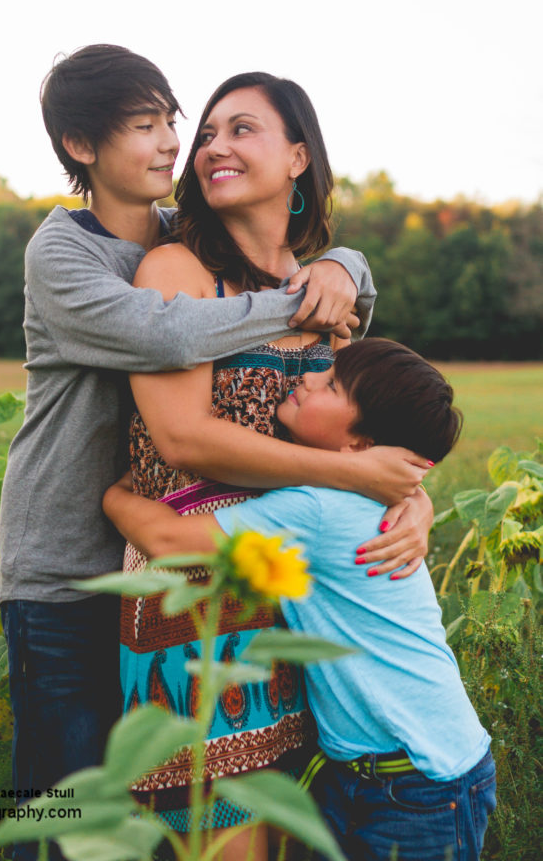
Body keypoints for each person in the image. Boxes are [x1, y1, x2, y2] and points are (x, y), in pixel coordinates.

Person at [0, 46, 417, 857]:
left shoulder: (191, 241)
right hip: (64, 570)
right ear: (81, 147)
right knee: (65, 805)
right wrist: (308, 293)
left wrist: (340, 264)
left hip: (171, 554)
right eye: (144, 126)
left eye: (170, 125)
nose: (172, 146)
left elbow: (330, 329)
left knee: (163, 815)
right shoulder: (66, 254)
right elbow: (166, 332)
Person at [115, 73, 434, 856]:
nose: (214, 146)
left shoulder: (327, 292)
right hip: (191, 589)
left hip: (298, 595)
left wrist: (410, 500)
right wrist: (359, 481)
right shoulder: (175, 272)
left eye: (241, 129)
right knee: (223, 830)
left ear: (297, 155)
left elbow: (366, 438)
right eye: (208, 134)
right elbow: (184, 439)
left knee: (292, 822)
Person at [104, 339, 496, 861]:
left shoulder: (316, 508)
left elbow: (169, 542)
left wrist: (115, 497)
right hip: (380, 770)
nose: (308, 377)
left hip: (420, 783)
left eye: (331, 384)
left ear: (360, 446)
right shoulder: (361, 495)